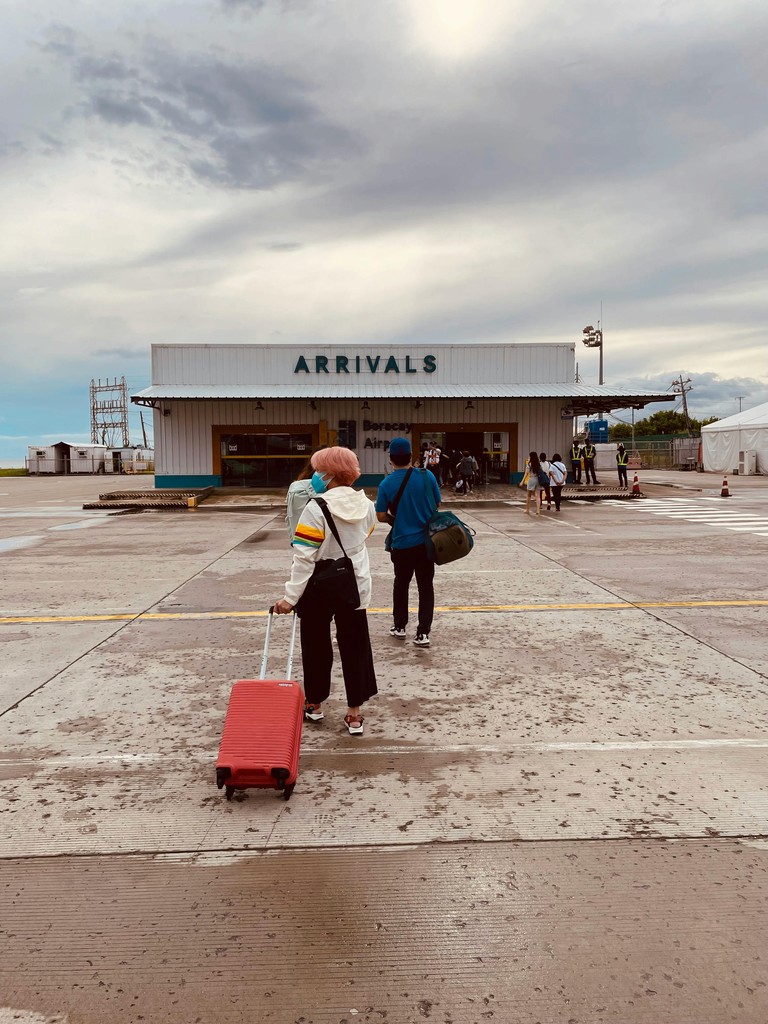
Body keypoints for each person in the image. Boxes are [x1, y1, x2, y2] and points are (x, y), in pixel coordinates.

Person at [274, 447, 377, 736]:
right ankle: (354, 714)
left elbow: (304, 557)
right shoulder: (367, 505)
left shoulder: (315, 507)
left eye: (319, 471)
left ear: (329, 475)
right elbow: (364, 536)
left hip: (319, 585)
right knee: (355, 647)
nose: (316, 476)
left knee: (316, 644)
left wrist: (289, 598)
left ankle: (315, 704)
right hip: (354, 582)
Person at [376, 437, 441, 647]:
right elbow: (437, 502)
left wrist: (396, 519)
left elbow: (379, 515)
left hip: (402, 544)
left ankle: (400, 626)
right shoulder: (427, 475)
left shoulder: (386, 483)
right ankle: (423, 633)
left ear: (391, 459)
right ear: (411, 457)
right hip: (425, 543)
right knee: (425, 587)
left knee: (401, 584)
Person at [285, 446, 327, 540]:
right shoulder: (300, 490)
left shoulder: (296, 487)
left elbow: (291, 519)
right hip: (319, 545)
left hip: (302, 543)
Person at [524, 451, 544, 515]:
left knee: (528, 495)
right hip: (538, 479)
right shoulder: (538, 464)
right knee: (537, 496)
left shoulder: (529, 464)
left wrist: (522, 481)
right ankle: (538, 510)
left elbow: (526, 473)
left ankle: (527, 509)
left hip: (532, 479)